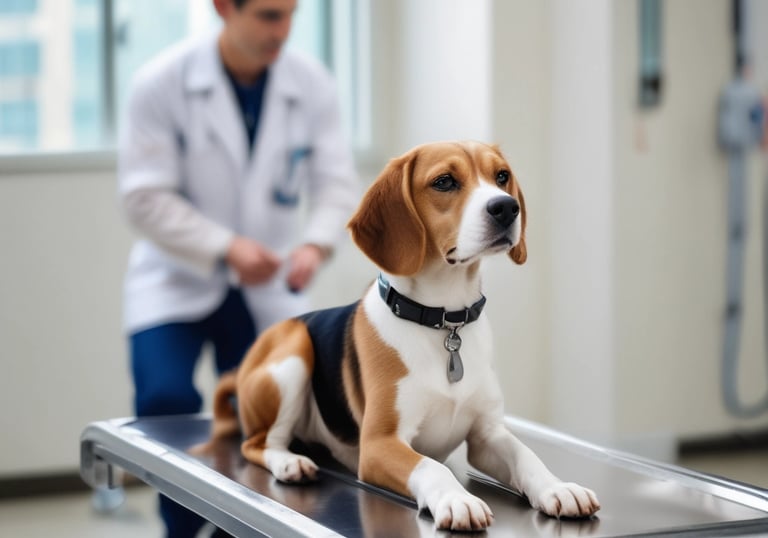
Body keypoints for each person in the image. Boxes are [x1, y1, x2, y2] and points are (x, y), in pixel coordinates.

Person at [115, 0, 359, 535]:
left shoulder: (311, 84)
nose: (284, 30)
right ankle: (179, 528)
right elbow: (142, 196)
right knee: (166, 402)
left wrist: (314, 246)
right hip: (174, 276)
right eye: (269, 15)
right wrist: (225, 247)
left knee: (271, 418)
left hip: (269, 283)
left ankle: (238, 528)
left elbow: (335, 182)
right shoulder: (160, 82)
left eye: (292, 14)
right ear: (224, 7)